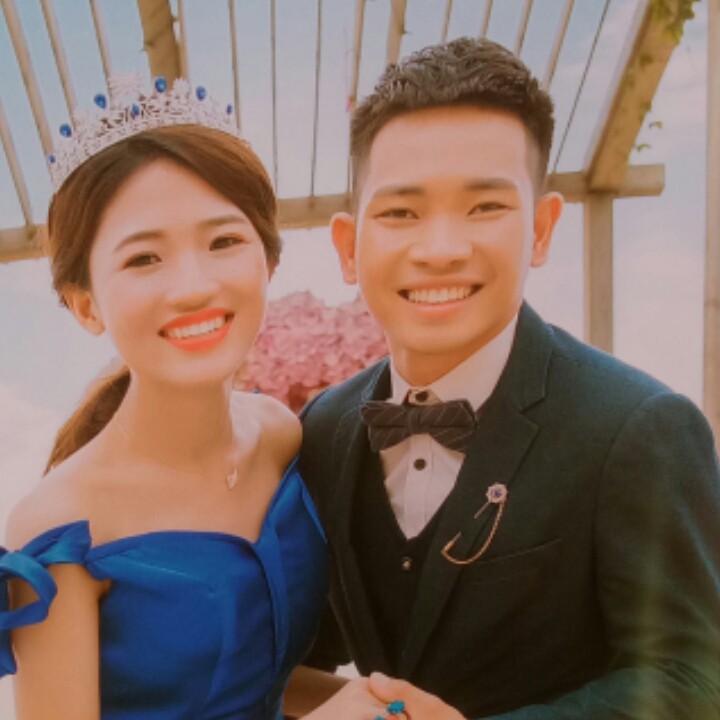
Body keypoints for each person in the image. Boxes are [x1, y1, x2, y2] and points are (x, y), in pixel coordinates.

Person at [299, 37, 720, 719]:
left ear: (542, 229)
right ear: (349, 246)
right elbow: (297, 650)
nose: (440, 249)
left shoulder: (638, 429)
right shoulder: (322, 429)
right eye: (401, 212)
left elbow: (695, 678)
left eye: (485, 207)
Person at [0, 78, 398, 720]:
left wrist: (388, 702)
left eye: (223, 242)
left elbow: (256, 682)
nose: (192, 286)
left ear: (268, 262)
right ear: (85, 304)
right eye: (143, 259)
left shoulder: (279, 435)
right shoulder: (59, 529)